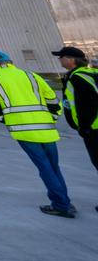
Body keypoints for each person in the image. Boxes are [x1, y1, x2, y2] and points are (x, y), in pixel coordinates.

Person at [0, 50, 74, 217]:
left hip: (23, 130)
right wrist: (52, 117)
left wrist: (5, 120)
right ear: (11, 61)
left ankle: (61, 205)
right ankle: (65, 201)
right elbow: (52, 98)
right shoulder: (31, 75)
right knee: (53, 167)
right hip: (46, 128)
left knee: (44, 167)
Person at [53, 45, 98, 210]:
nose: (59, 59)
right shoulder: (91, 73)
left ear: (71, 59)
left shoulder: (78, 78)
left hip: (93, 129)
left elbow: (88, 104)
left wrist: (84, 127)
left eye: (61, 57)